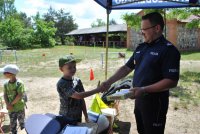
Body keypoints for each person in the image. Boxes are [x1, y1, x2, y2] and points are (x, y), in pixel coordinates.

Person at [100, 12, 180, 134]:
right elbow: (127, 68)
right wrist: (108, 82)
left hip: (155, 104)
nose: (141, 32)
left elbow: (171, 81)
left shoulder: (168, 50)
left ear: (157, 28)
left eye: (144, 29)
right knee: (141, 130)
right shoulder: (141, 47)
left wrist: (143, 89)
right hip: (139, 100)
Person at [57, 55, 104, 123]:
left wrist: (86, 116)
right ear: (61, 69)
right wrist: (97, 90)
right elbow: (78, 96)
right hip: (66, 118)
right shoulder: (62, 83)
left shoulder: (77, 80)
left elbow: (82, 99)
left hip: (78, 117)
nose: (73, 69)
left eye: (74, 67)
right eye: (69, 68)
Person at [0, 64, 26, 134]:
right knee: (12, 124)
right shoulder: (6, 84)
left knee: (22, 123)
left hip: (19, 107)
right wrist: (8, 104)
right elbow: (5, 94)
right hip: (11, 109)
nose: (3, 74)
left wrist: (10, 104)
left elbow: (19, 95)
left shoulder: (19, 83)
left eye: (5, 73)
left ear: (11, 74)